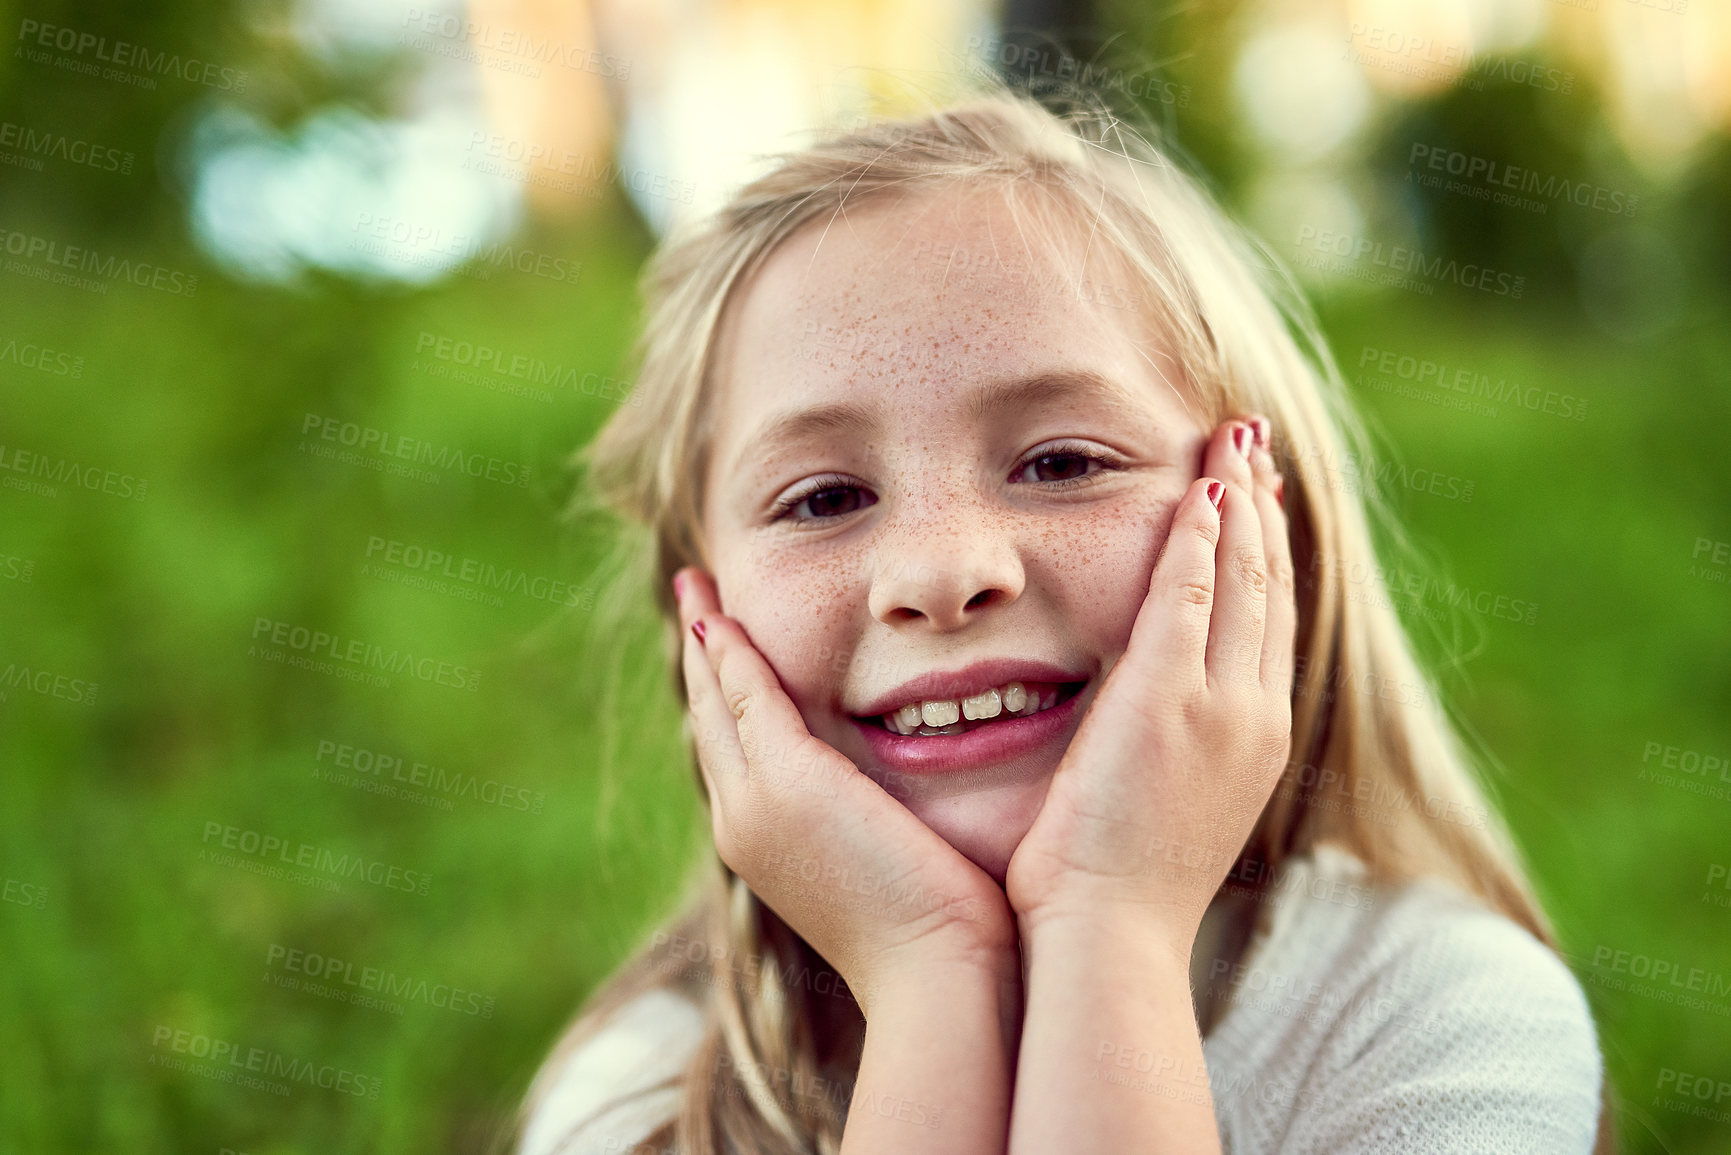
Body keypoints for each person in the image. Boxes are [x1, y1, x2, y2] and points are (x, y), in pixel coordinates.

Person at [513, 88, 1609, 1155]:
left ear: (1267, 535)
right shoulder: (645, 1097)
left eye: (1062, 462)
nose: (943, 575)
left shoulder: (1432, 1019)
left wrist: (1111, 922)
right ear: (698, 607)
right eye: (827, 498)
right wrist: (928, 972)